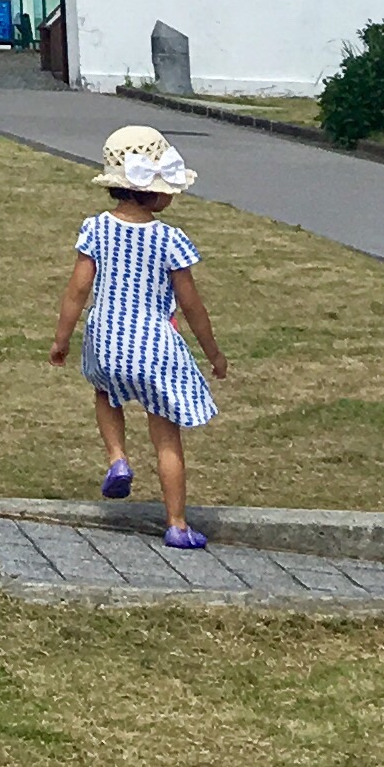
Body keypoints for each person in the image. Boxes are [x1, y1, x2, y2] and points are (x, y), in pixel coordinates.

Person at [48, 124, 229, 550]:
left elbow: (77, 290)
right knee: (166, 435)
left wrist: (61, 339)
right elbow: (191, 305)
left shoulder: (95, 229)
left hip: (107, 338)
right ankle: (177, 524)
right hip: (153, 346)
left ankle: (117, 458)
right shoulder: (170, 240)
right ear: (155, 192)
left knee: (105, 392)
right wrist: (213, 353)